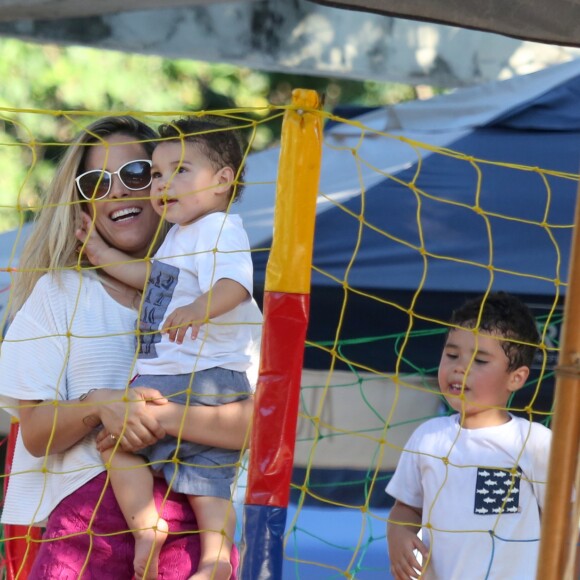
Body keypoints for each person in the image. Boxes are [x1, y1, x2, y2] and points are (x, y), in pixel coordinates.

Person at [0, 115, 258, 580]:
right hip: (83, 539)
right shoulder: (58, 294)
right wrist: (102, 405)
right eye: (96, 182)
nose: (118, 191)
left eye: (136, 174)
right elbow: (35, 434)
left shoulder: (220, 297)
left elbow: (253, 428)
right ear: (82, 205)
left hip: (193, 543)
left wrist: (153, 418)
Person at [386, 292, 551, 580]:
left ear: (517, 377)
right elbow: (406, 508)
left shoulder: (535, 443)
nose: (459, 367)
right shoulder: (428, 438)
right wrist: (398, 535)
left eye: (480, 361)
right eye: (452, 355)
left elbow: (564, 523)